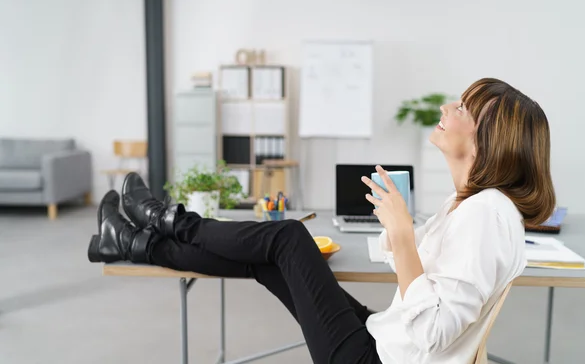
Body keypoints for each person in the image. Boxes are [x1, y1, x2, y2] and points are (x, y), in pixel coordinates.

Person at [87, 77, 556, 364]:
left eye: (463, 109)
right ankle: (131, 242)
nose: (447, 109)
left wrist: (403, 235)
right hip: (385, 340)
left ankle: (164, 220)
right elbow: (428, 291)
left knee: (288, 238)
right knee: (269, 257)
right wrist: (399, 233)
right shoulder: (472, 205)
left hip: (379, 360)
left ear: (489, 140)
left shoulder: (486, 215)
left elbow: (434, 330)